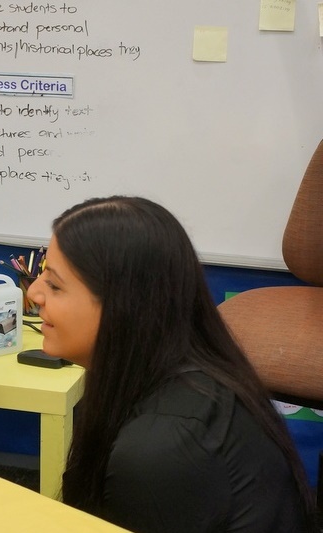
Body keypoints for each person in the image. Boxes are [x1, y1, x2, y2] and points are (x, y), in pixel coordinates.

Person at [26, 196, 317, 532]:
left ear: (124, 306)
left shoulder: (161, 452)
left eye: (55, 284)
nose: (33, 292)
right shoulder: (148, 372)